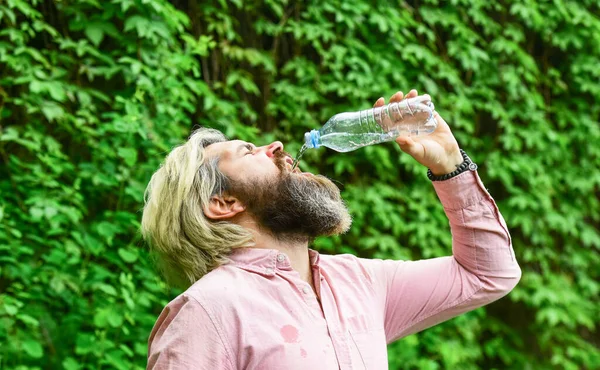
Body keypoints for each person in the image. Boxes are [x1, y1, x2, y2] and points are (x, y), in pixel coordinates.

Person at [141, 89, 521, 369]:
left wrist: (450, 165)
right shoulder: (206, 312)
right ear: (223, 203)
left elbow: (486, 274)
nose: (274, 145)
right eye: (247, 151)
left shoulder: (360, 282)